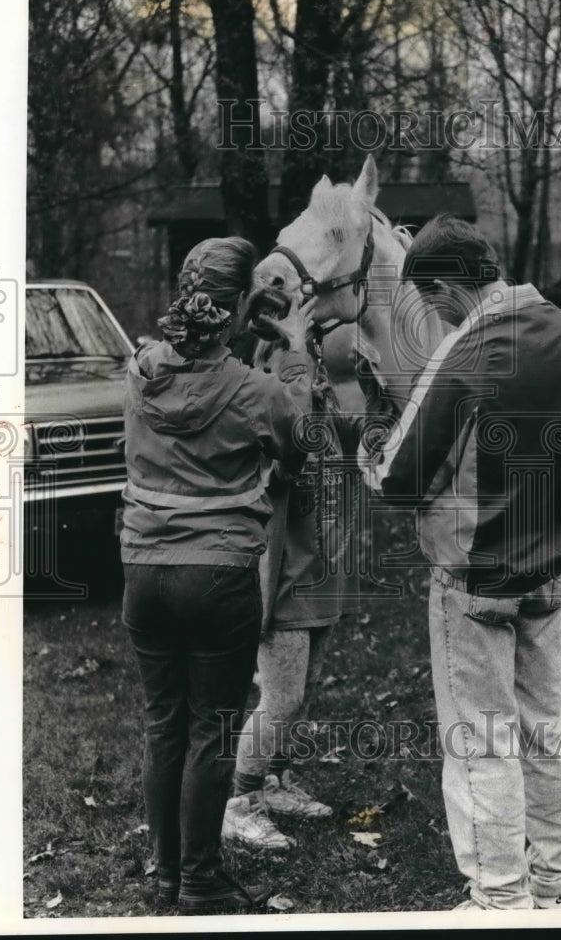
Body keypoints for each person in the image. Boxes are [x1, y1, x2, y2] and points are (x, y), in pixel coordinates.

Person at [373, 215, 561, 911]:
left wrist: (367, 451)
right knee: (544, 725)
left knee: (480, 741)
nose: (435, 314)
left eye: (432, 298)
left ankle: (499, 898)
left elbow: (399, 480)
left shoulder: (464, 352)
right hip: (548, 572)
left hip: (473, 578)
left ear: (449, 284)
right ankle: (552, 886)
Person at [119, 237, 315, 915]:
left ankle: (164, 872)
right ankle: (200, 881)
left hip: (143, 569)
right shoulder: (256, 390)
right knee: (212, 731)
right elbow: (297, 450)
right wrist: (291, 345)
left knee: (162, 724)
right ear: (237, 308)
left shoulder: (140, 371)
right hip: (219, 575)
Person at [221, 339, 362, 850]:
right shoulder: (269, 428)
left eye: (315, 366)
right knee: (281, 699)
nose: (312, 379)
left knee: (305, 691)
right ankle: (241, 801)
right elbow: (293, 433)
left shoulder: (323, 412)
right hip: (281, 581)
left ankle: (275, 780)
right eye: (299, 371)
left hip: (321, 575)